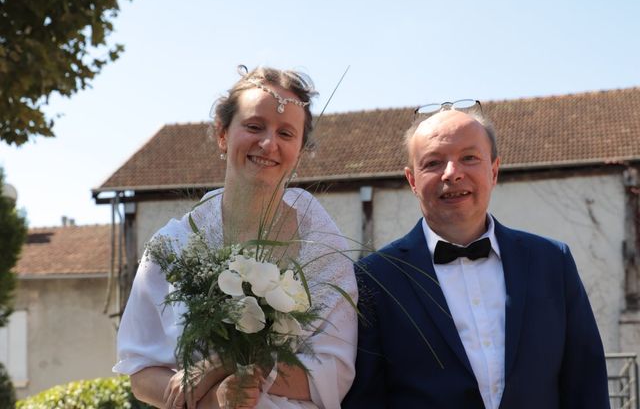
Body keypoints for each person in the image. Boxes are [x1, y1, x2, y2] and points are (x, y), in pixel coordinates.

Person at [114, 66, 358, 409]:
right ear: (222, 134)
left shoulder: (323, 248)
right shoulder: (173, 245)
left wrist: (223, 366)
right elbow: (141, 375)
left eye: (286, 133)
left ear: (300, 149)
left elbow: (334, 375)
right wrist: (216, 400)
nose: (269, 143)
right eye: (254, 126)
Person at [343, 104, 610, 409]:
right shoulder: (374, 278)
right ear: (412, 181)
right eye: (433, 162)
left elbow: (586, 384)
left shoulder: (552, 261)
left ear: (493, 171)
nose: (452, 173)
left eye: (469, 158)